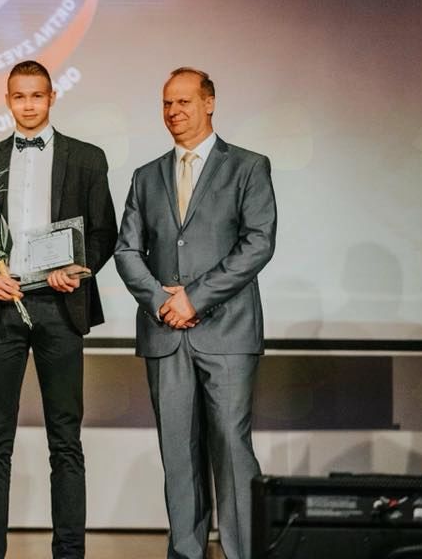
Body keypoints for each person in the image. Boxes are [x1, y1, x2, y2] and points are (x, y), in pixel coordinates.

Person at [0, 60, 118, 559]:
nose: (28, 105)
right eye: (19, 96)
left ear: (52, 98)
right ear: (8, 100)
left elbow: (103, 232)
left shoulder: (86, 157)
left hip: (60, 307)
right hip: (2, 307)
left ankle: (69, 554)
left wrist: (77, 269)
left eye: (37, 95)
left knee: (65, 441)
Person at [114, 67, 277, 559]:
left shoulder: (248, 166)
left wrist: (195, 297)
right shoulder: (146, 175)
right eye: (167, 103)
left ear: (209, 103)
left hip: (227, 332)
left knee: (231, 450)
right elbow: (126, 250)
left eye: (183, 102)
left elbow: (258, 243)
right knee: (179, 457)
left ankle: (242, 552)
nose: (173, 111)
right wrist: (162, 301)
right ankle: (185, 552)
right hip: (166, 335)